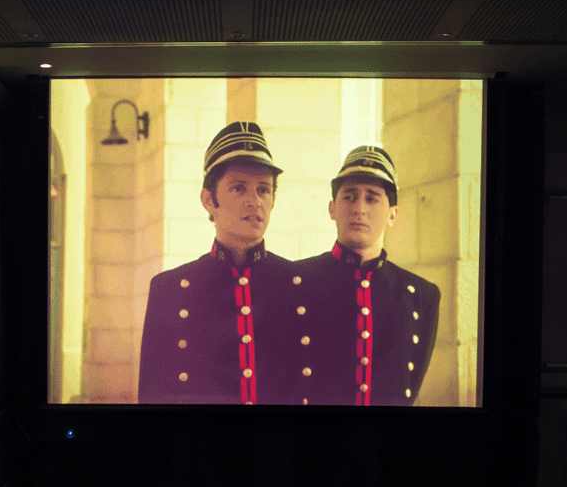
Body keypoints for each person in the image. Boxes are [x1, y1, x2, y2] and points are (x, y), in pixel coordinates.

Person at [138, 121, 306, 404]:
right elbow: (153, 399)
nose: (254, 201)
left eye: (264, 189)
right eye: (239, 188)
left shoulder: (299, 285)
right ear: (208, 200)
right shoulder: (169, 290)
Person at [299, 145, 440, 406]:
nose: (359, 208)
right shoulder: (297, 281)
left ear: (392, 215)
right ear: (332, 208)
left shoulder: (422, 295)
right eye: (349, 197)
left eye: (372, 198)